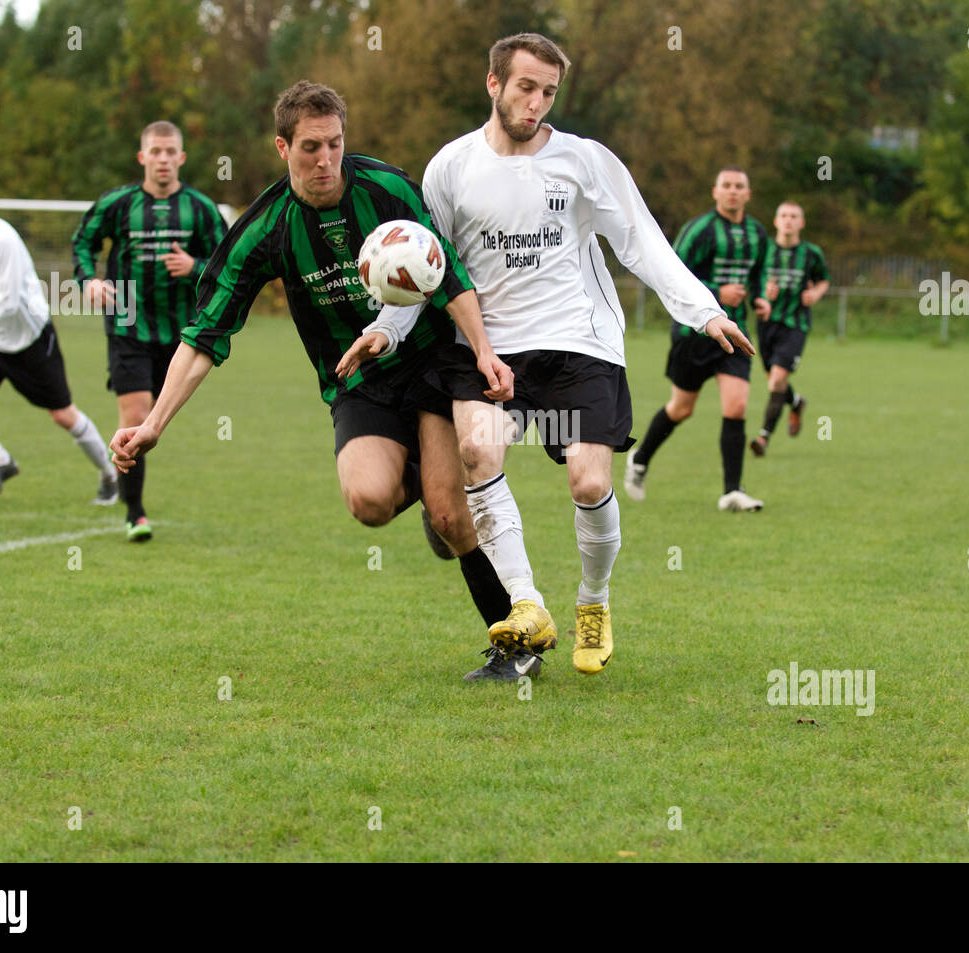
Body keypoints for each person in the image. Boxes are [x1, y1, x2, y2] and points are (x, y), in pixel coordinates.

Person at [340, 34, 753, 676]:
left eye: (548, 92)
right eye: (526, 88)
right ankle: (527, 604)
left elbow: (641, 240)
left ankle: (594, 600)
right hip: (487, 347)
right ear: (494, 84)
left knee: (589, 481)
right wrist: (387, 329)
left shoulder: (584, 161)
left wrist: (702, 309)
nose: (536, 104)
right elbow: (431, 269)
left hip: (577, 341)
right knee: (477, 452)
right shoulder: (450, 167)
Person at [108, 82, 520, 679]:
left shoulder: (386, 188)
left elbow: (448, 273)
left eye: (334, 144)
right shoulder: (267, 227)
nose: (325, 160)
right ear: (282, 147)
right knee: (369, 502)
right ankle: (434, 494)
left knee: (455, 519)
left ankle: (513, 646)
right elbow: (204, 335)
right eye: (309, 148)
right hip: (357, 382)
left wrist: (482, 351)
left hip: (431, 363)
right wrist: (153, 424)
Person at [73, 120, 228, 541]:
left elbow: (230, 262)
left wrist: (195, 266)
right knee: (136, 416)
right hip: (127, 324)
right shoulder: (118, 204)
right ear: (143, 157)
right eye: (154, 152)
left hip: (181, 335)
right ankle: (135, 513)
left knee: (157, 420)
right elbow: (83, 242)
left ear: (181, 157)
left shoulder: (200, 208)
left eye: (170, 151)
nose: (162, 159)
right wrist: (88, 280)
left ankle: (127, 491)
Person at [0, 172, 119, 502]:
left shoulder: (2, 240)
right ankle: (0, 461)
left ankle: (110, 474)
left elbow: (8, 303)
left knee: (62, 415)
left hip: (29, 338)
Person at [624, 167, 770, 511]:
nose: (733, 192)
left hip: (735, 331)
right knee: (681, 408)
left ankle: (732, 491)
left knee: (736, 406)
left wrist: (760, 297)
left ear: (748, 194)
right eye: (727, 186)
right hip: (694, 333)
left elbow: (759, 274)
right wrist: (719, 292)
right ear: (715, 192)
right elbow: (671, 271)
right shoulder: (699, 230)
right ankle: (640, 458)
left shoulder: (757, 233)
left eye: (740, 186)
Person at [750, 201, 828, 457]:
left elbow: (823, 280)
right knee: (774, 379)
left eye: (794, 216)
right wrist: (763, 293)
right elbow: (753, 280)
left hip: (796, 324)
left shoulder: (811, 253)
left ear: (801, 223)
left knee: (778, 378)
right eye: (783, 215)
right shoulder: (763, 250)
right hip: (766, 324)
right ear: (776, 221)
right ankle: (796, 403)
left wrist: (814, 294)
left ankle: (763, 437)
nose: (788, 220)